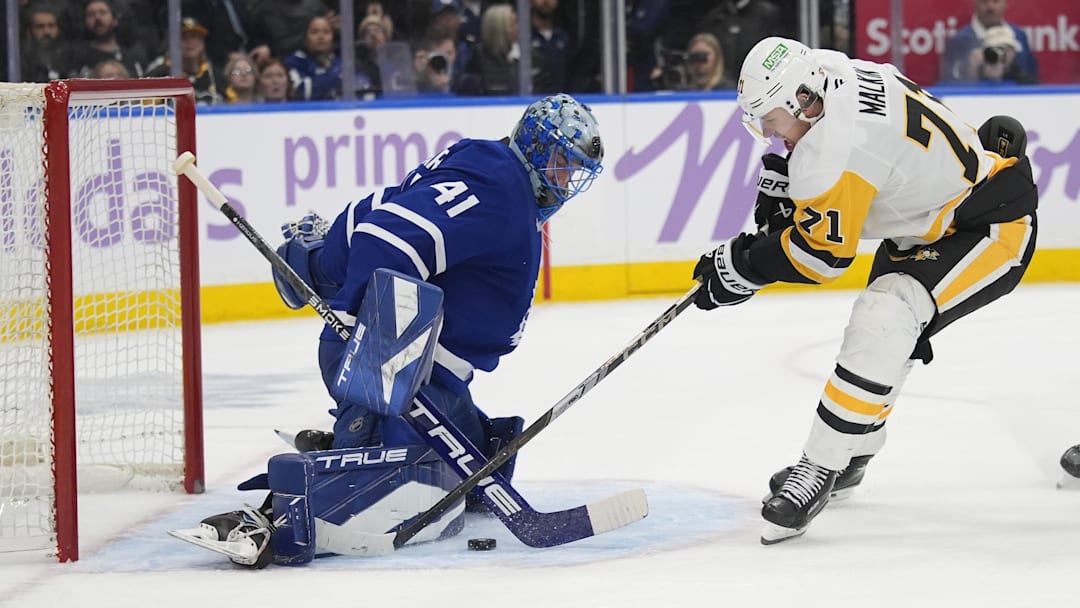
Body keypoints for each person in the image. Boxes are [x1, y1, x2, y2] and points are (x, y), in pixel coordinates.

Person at [171, 93, 604, 567]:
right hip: (393, 358)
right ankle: (288, 508)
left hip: (429, 374)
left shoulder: (498, 178)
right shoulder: (501, 187)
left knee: (463, 473)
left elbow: (386, 214)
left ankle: (315, 265)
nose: (568, 182)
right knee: (407, 489)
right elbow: (388, 236)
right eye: (563, 163)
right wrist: (365, 332)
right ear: (538, 150)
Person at [692, 37, 1037, 544]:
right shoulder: (830, 72)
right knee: (886, 336)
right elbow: (842, 177)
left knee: (885, 318)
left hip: (987, 224)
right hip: (927, 219)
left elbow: (821, 257)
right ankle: (851, 453)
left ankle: (818, 468)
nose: (766, 130)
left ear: (804, 100)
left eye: (770, 117)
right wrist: (787, 186)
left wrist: (741, 267)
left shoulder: (837, 146)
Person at [940, 0, 1037, 85]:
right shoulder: (960, 41)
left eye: (996, 1)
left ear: (1005, 4)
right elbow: (949, 86)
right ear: (975, 4)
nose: (990, 7)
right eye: (984, 2)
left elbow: (1033, 82)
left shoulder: (1018, 37)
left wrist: (1013, 66)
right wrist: (971, 70)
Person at [144, 17, 224, 105]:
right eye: (184, 37)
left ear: (202, 43)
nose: (190, 42)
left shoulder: (214, 76)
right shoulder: (158, 75)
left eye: (194, 36)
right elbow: (145, 109)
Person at [285, 15, 343, 100]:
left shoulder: (340, 62)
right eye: (314, 32)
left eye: (326, 32)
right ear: (305, 38)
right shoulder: (294, 62)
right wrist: (335, 79)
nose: (321, 37)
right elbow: (302, 91)